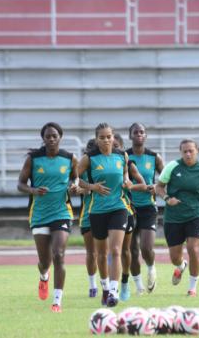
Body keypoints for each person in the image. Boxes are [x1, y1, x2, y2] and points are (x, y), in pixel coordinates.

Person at [17, 122, 78, 313]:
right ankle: (44, 276)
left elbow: (76, 177)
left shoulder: (69, 158)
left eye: (54, 136)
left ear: (60, 137)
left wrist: (75, 185)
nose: (51, 139)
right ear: (43, 139)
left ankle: (57, 302)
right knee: (45, 261)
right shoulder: (33, 159)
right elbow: (20, 184)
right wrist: (33, 190)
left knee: (59, 254)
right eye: (48, 136)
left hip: (62, 212)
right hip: (40, 214)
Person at [77, 123, 134, 307]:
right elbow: (75, 177)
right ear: (96, 139)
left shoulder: (122, 155)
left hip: (119, 207)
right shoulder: (89, 158)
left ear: (113, 137)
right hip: (97, 210)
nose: (106, 140)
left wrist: (126, 182)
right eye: (102, 137)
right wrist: (92, 187)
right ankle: (104, 287)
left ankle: (113, 291)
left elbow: (126, 176)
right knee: (101, 254)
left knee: (116, 250)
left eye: (108, 136)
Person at [155, 139, 199, 297]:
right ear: (181, 152)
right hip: (173, 216)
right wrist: (168, 198)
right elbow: (159, 187)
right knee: (175, 257)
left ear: (197, 151)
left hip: (195, 214)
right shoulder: (172, 167)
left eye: (191, 151)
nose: (188, 154)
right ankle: (181, 265)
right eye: (185, 151)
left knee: (193, 249)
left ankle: (192, 288)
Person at [126, 123, 164, 295]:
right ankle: (139, 286)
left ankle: (151, 268)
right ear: (130, 136)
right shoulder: (124, 157)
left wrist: (155, 186)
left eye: (142, 132)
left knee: (146, 248)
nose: (139, 135)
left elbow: (166, 180)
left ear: (146, 136)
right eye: (136, 132)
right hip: (128, 207)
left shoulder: (154, 157)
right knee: (132, 250)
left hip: (148, 207)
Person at [112, 133, 148, 301]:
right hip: (100, 211)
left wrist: (131, 185)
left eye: (117, 146)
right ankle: (107, 286)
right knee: (106, 251)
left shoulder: (128, 163)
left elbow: (143, 185)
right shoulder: (94, 161)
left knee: (124, 250)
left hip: (124, 210)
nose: (114, 148)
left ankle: (124, 283)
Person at [77, 138, 100, 298]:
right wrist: (86, 189)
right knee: (91, 252)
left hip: (108, 211)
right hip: (88, 214)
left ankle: (109, 284)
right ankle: (93, 285)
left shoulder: (107, 165)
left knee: (109, 251)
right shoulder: (82, 168)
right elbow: (75, 184)